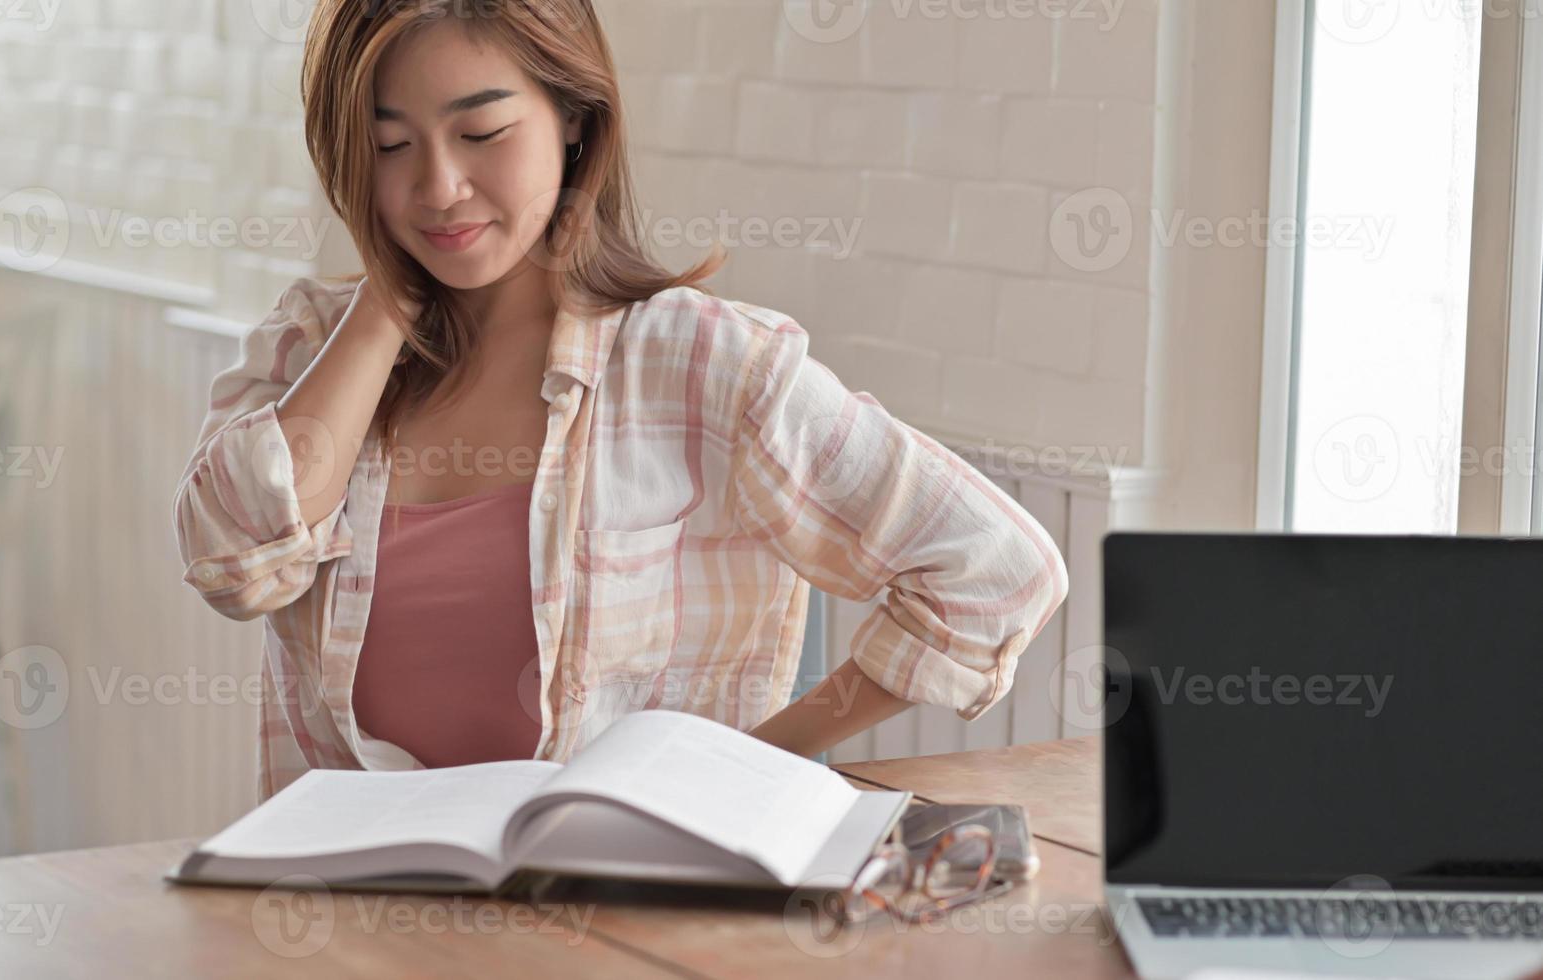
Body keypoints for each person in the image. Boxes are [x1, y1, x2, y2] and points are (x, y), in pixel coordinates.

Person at [171, 0, 1069, 802]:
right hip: (349, 912)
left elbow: (996, 569)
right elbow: (238, 566)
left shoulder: (700, 361)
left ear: (573, 120)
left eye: (481, 133)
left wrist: (752, 763)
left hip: (625, 909)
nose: (439, 187)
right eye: (389, 145)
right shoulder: (307, 347)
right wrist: (382, 307)